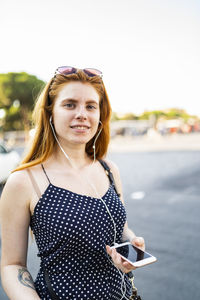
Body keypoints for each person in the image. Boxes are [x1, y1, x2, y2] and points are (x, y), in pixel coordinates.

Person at [0, 66, 145, 300]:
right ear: (50, 112)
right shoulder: (24, 181)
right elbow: (12, 266)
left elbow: (122, 229)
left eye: (90, 106)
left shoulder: (109, 170)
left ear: (100, 115)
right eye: (69, 105)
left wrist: (132, 244)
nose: (82, 114)